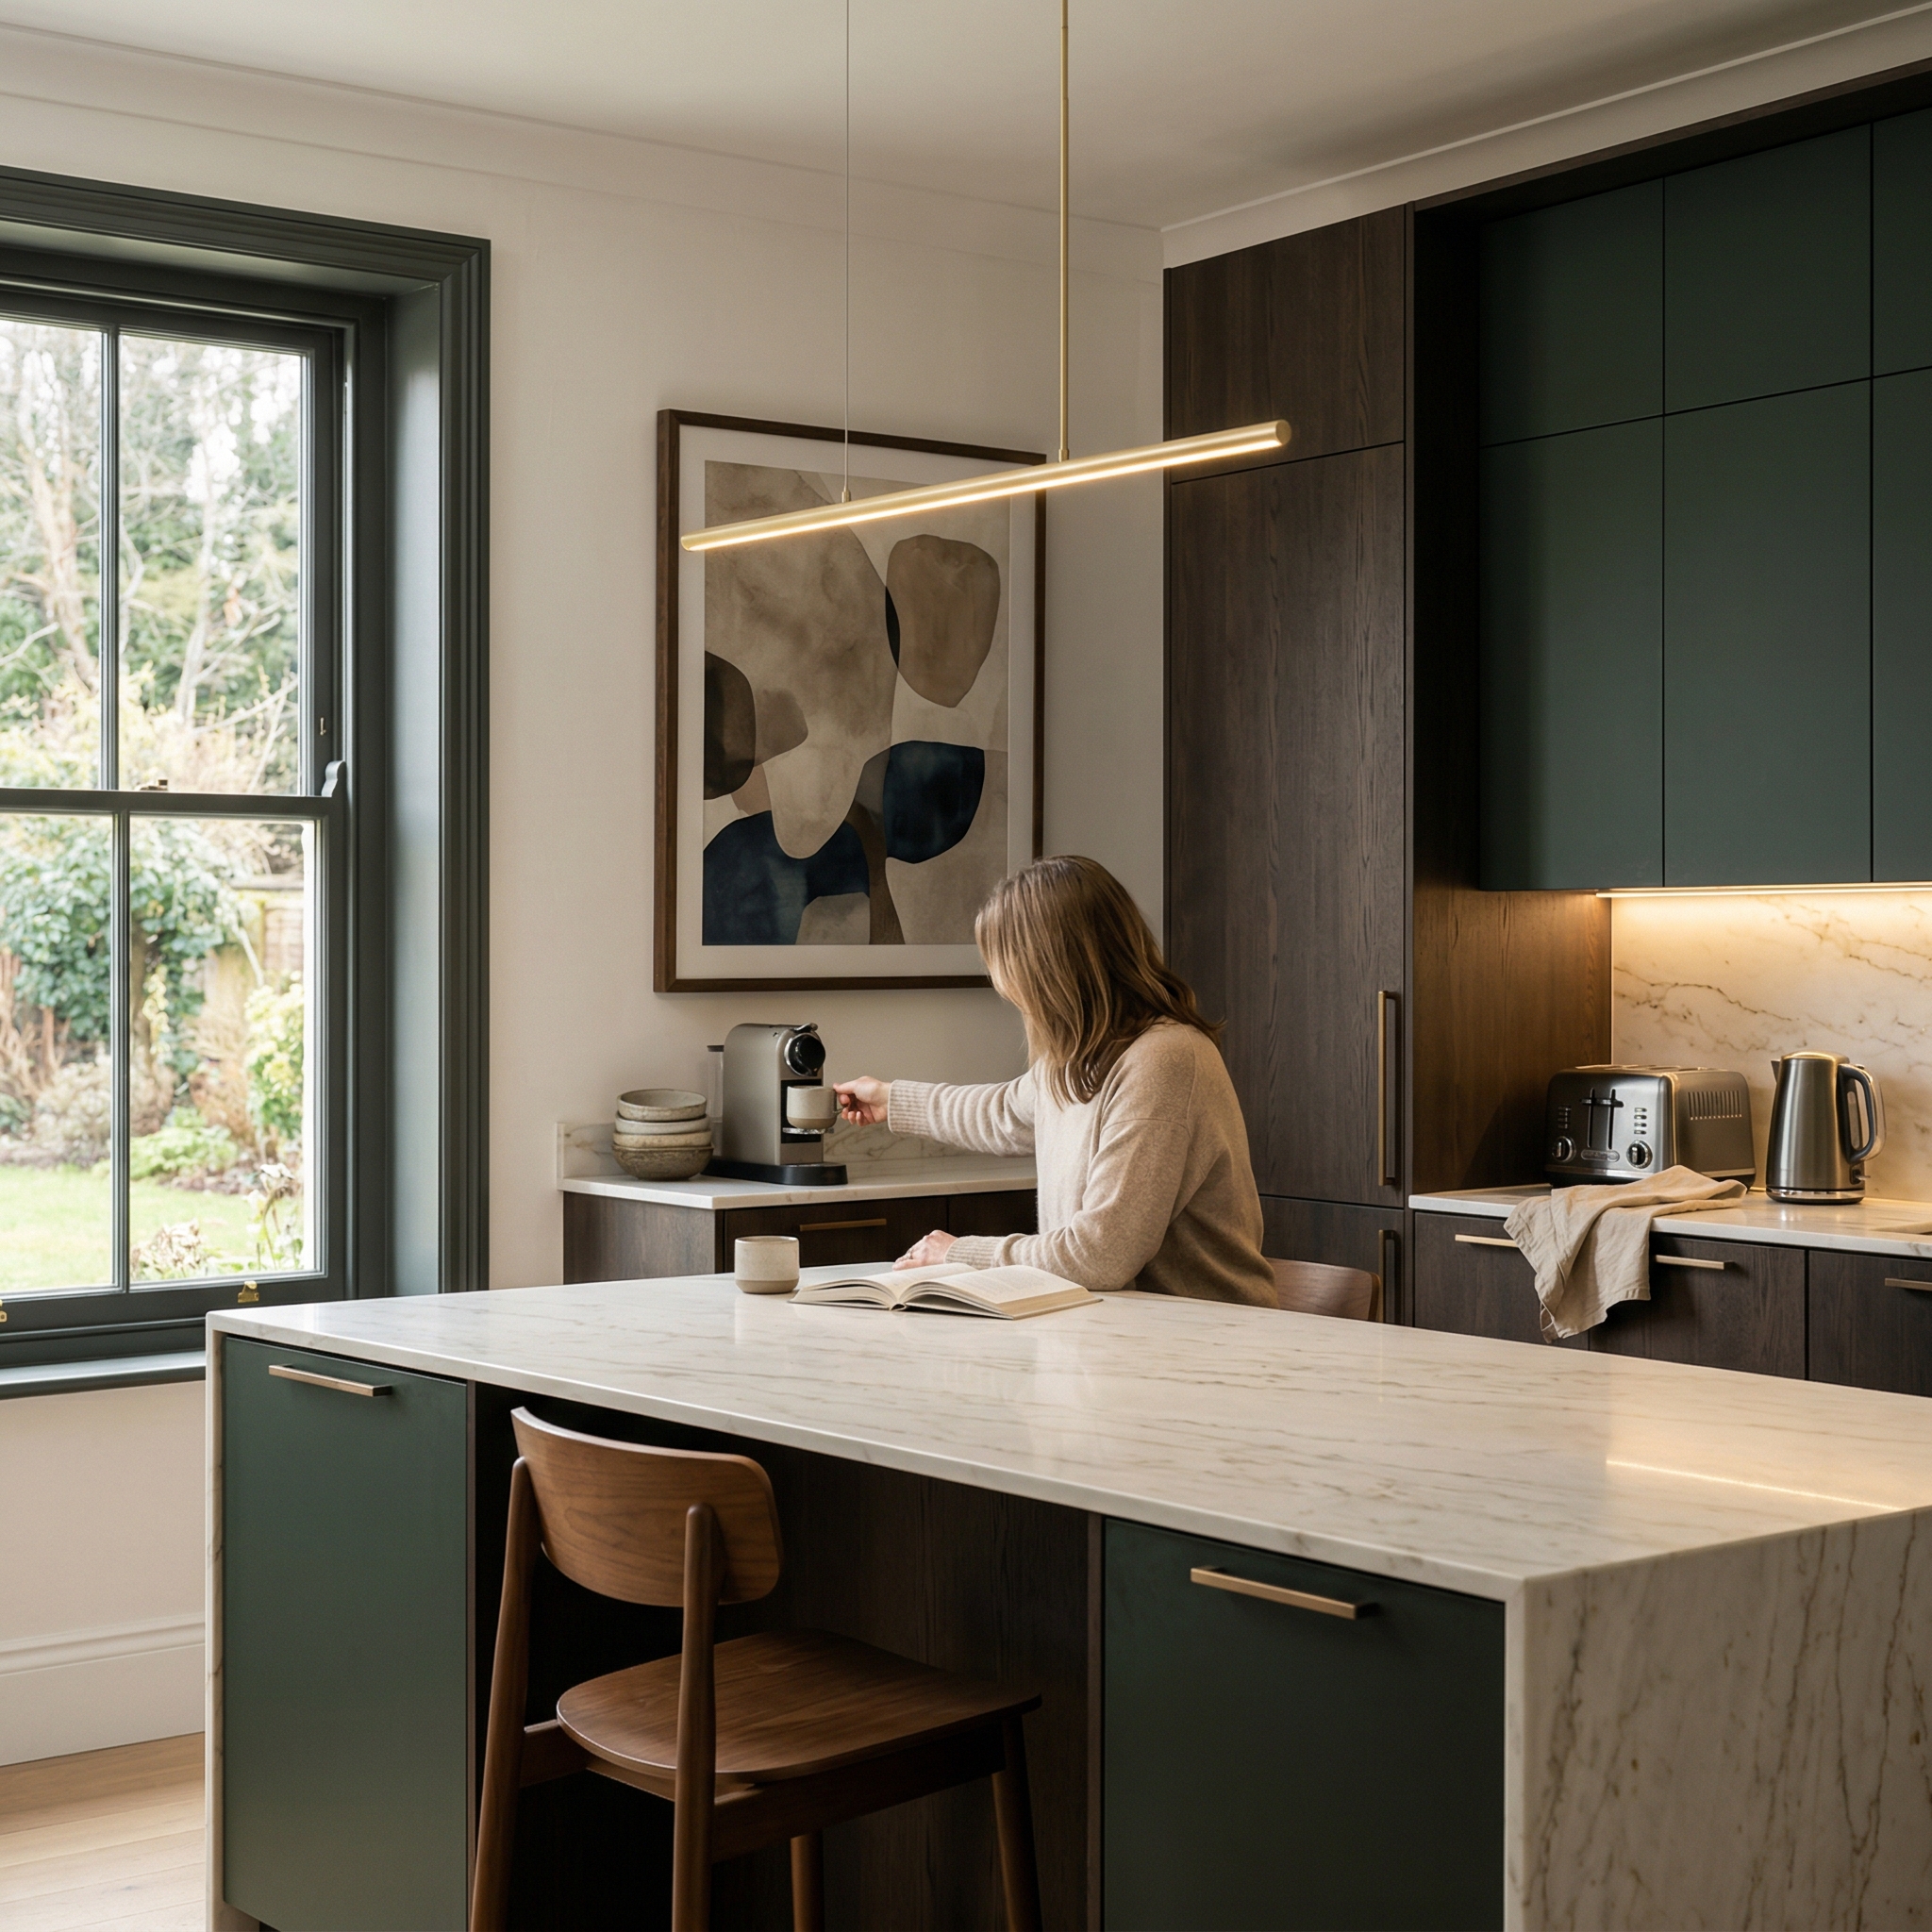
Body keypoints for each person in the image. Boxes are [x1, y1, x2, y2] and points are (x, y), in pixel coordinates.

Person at [835, 855, 1274, 1304]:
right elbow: (1003, 1112)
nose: (1002, 987)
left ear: (1047, 970)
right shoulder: (1083, 1059)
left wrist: (960, 1252)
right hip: (1116, 1333)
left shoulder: (1164, 1059)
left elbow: (1100, 1255)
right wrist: (892, 1099)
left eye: (1003, 967)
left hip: (1204, 1342)